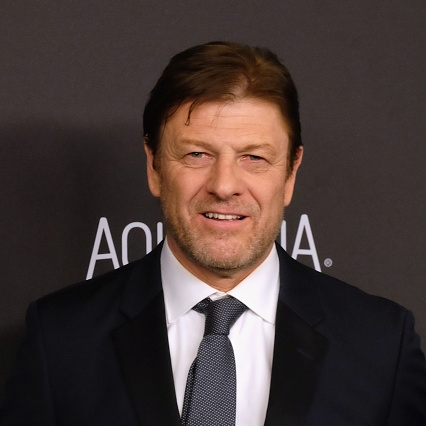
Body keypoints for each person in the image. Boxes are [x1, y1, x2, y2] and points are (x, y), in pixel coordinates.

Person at [1, 41, 425, 426]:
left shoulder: (380, 346)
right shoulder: (60, 340)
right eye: (197, 154)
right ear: (154, 166)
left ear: (291, 172)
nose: (224, 185)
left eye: (254, 157)